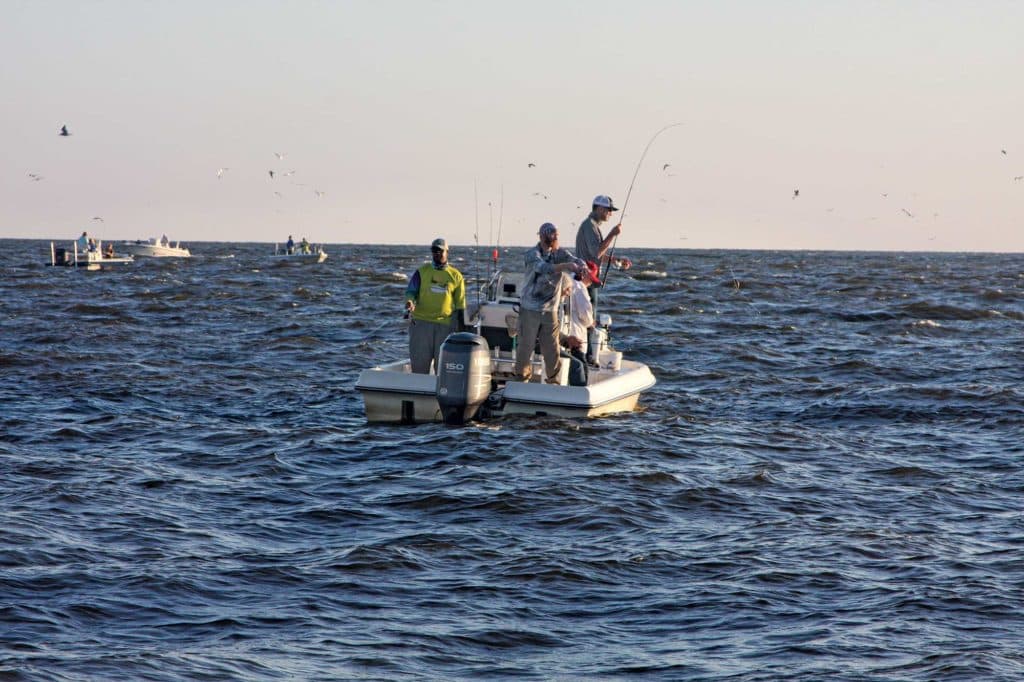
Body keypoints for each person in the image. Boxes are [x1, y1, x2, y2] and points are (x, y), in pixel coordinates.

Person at [515, 223, 583, 383]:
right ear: (542, 236)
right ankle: (521, 380)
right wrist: (566, 266)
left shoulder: (559, 253)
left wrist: (582, 265)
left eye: (557, 234)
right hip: (530, 309)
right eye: (552, 234)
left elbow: (573, 259)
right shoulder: (532, 254)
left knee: (552, 350)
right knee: (526, 347)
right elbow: (543, 267)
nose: (556, 237)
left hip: (550, 311)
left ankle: (553, 381)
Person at [405, 238, 466, 374]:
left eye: (440, 250)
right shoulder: (421, 271)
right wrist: (410, 302)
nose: (437, 253)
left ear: (447, 252)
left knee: (443, 369)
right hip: (421, 325)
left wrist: (460, 329)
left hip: (445, 327)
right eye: (434, 250)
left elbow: (460, 305)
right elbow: (411, 292)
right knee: (419, 368)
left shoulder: (456, 276)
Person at [575, 194, 632, 310]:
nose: (611, 214)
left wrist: (616, 260)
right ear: (600, 208)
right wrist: (612, 234)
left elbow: (595, 255)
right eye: (609, 210)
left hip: (588, 278)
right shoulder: (590, 226)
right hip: (586, 278)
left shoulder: (592, 225)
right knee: (589, 317)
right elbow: (597, 252)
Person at [561, 260, 599, 384]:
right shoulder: (580, 288)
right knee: (581, 367)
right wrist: (591, 322)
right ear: (585, 275)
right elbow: (586, 317)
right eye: (591, 280)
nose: (590, 283)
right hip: (576, 338)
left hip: (562, 335)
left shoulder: (565, 282)